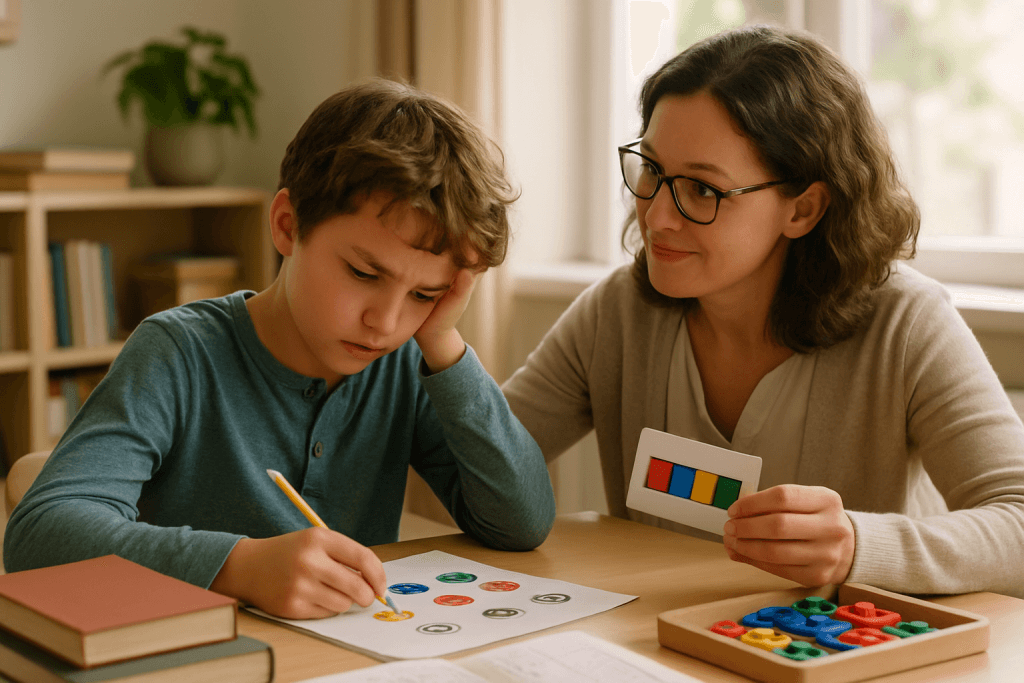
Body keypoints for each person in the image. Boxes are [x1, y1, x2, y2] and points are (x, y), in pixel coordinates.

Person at [502, 24, 1024, 598]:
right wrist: (437, 328)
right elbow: (478, 470)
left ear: (803, 210)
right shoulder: (617, 312)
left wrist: (857, 544)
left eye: (702, 189)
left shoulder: (908, 323)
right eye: (651, 170)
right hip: (658, 651)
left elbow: (1018, 523)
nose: (655, 217)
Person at [4, 79, 556, 618]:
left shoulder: (406, 362)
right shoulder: (178, 352)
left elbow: (520, 522)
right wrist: (238, 566)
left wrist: (441, 340)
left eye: (423, 294)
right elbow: (38, 536)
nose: (385, 322)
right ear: (288, 225)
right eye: (364, 273)